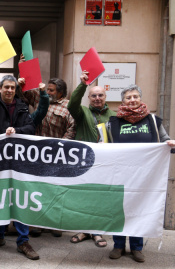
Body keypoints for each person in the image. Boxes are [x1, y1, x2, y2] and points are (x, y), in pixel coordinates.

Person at [105, 84, 175, 263]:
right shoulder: (112, 122)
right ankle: (118, 245)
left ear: (140, 98)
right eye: (128, 97)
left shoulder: (152, 120)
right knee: (118, 210)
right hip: (120, 174)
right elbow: (103, 146)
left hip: (145, 177)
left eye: (135, 96)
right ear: (123, 100)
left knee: (139, 209)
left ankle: (137, 248)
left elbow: (164, 141)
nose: (132, 100)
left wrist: (171, 146)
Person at [0, 45, 38, 260]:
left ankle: (23, 241)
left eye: (13, 87)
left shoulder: (22, 106)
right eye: (6, 87)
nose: (10, 90)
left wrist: (17, 131)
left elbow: (31, 128)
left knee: (20, 199)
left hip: (18, 162)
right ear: (0, 88)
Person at [21, 77, 75, 237]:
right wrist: (23, 66)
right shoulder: (40, 97)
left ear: (61, 93)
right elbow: (25, 91)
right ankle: (37, 222)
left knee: (55, 189)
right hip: (37, 153)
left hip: (56, 154)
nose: (48, 92)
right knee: (37, 188)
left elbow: (72, 128)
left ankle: (54, 223)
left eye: (51, 90)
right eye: (48, 89)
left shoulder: (68, 106)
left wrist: (62, 148)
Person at [67, 70, 114, 248]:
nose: (97, 98)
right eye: (93, 95)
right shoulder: (83, 113)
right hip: (85, 161)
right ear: (89, 97)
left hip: (105, 163)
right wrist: (82, 84)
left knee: (100, 197)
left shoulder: (114, 116)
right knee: (83, 196)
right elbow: (72, 104)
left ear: (105, 96)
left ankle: (97, 231)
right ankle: (84, 229)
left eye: (100, 95)